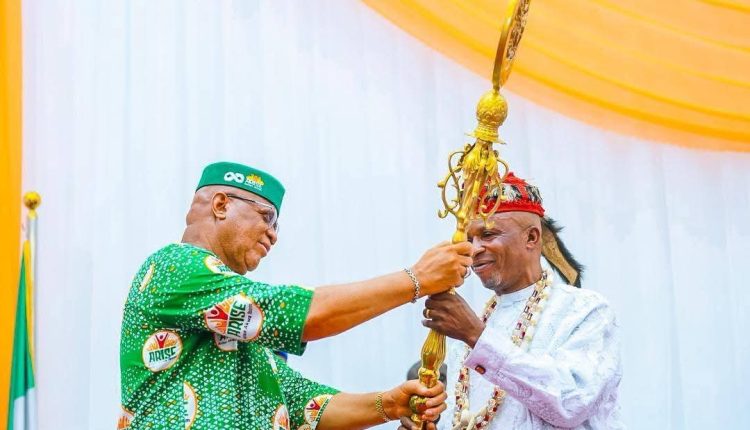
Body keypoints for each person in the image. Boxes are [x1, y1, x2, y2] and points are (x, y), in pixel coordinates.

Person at [119, 161, 473, 429]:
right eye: (267, 217)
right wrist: (416, 279)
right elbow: (296, 314)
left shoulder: (242, 329)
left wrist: (390, 404)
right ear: (222, 204)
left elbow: (307, 405)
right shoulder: (175, 266)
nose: (274, 235)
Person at [399, 172, 624, 430]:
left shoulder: (586, 311)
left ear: (531, 238)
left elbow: (570, 404)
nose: (474, 249)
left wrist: (476, 335)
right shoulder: (473, 330)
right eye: (470, 239)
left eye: (488, 234)